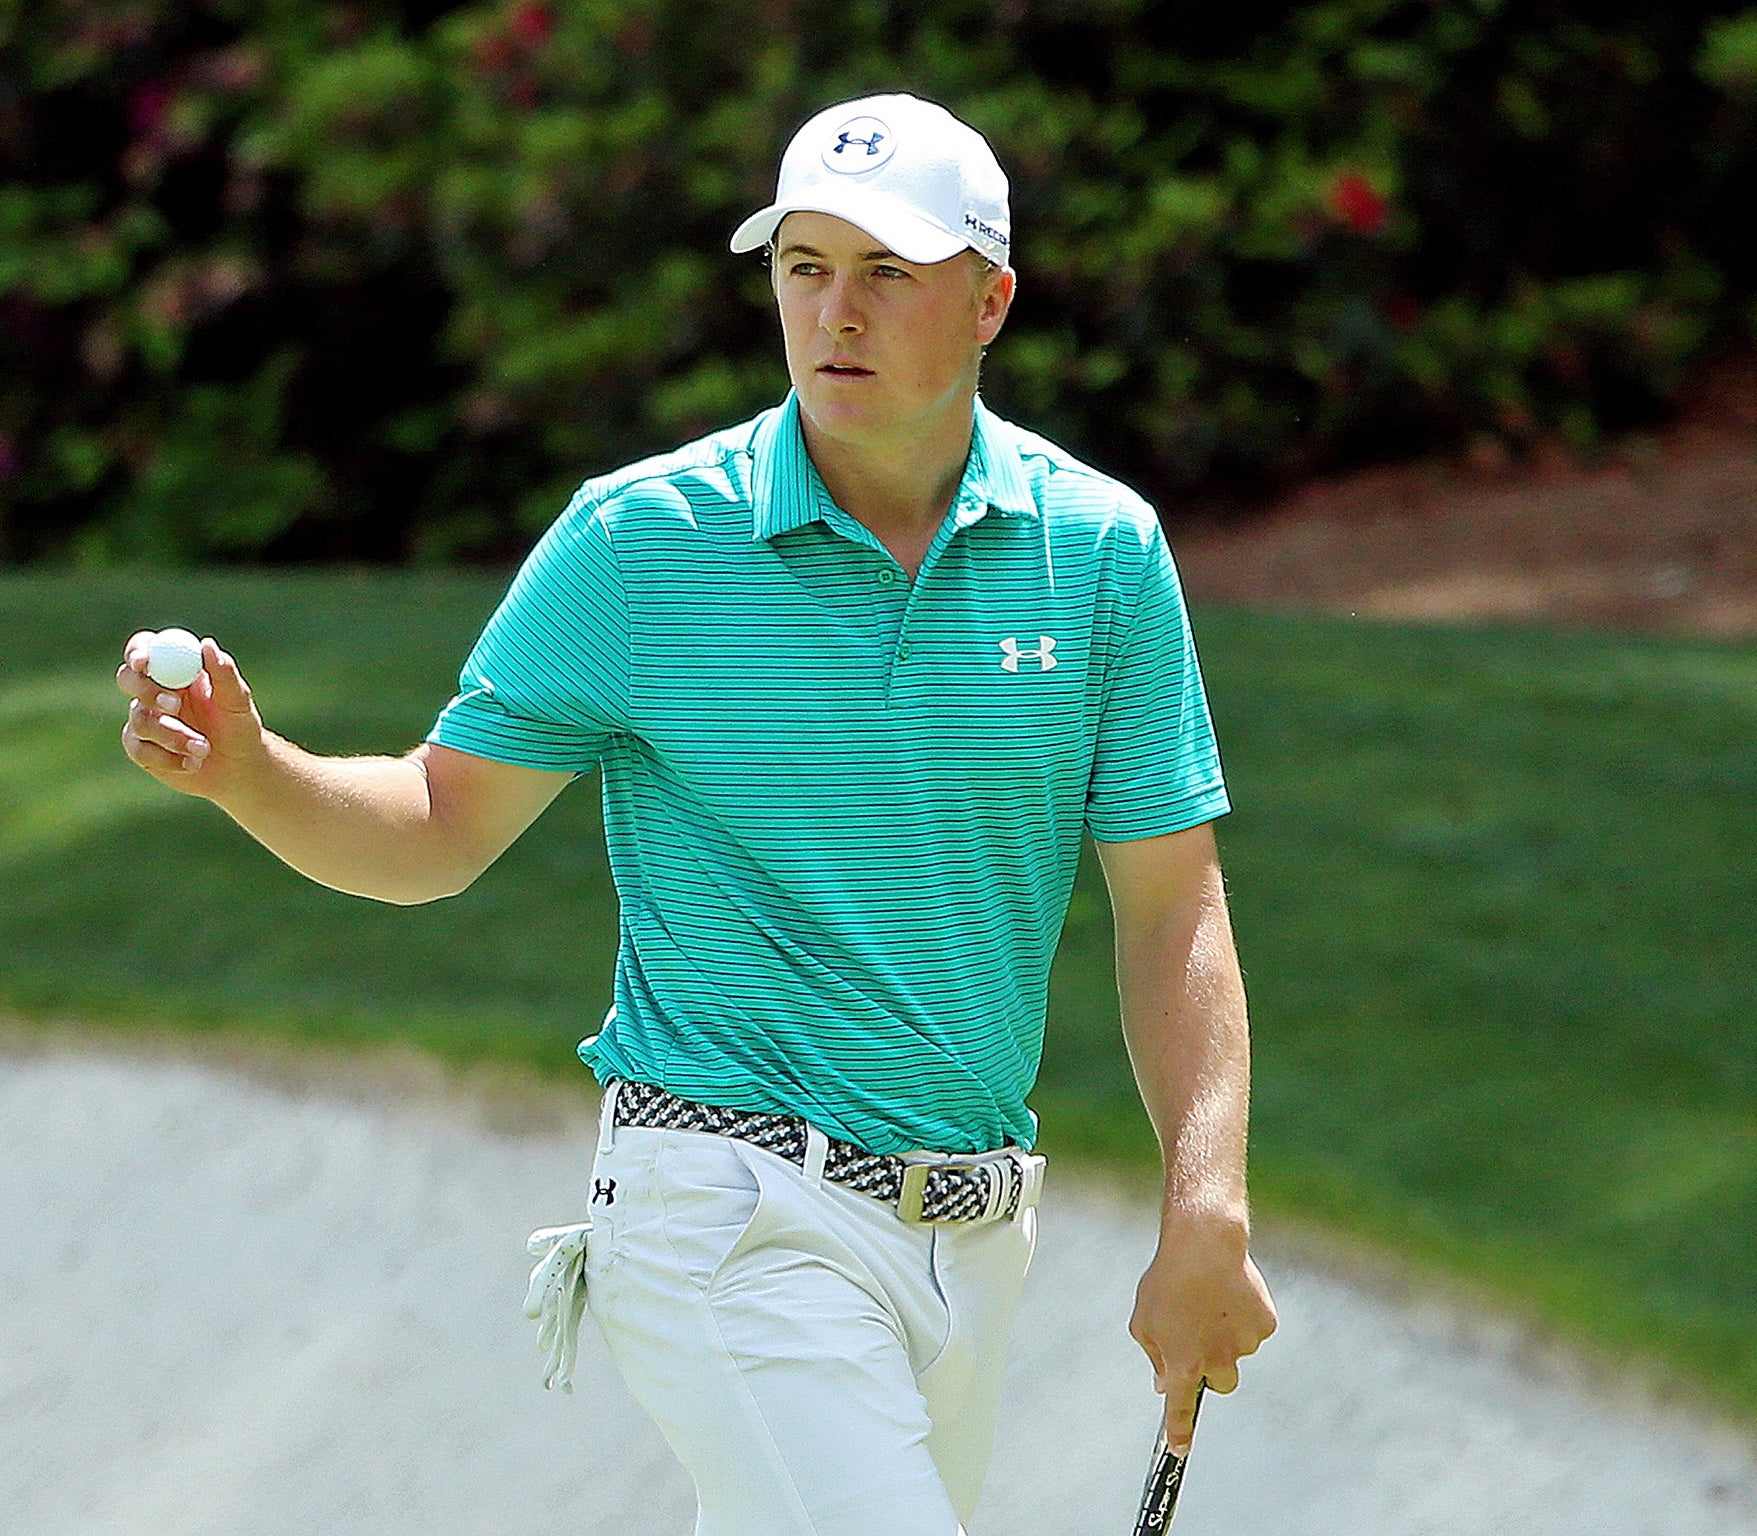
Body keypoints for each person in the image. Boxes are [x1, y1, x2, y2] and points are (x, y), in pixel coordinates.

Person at [118, 91, 1276, 1536]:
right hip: (725, 1210)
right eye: (803, 266)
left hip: (973, 1232)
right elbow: (436, 824)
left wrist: (1205, 1200)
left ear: (991, 303)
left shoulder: (1100, 555)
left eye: (887, 274)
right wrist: (250, 769)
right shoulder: (643, 540)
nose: (833, 312)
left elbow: (1174, 905)